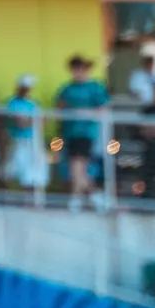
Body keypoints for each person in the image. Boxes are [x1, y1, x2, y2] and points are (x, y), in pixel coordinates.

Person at [55, 55, 109, 210]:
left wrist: (84, 113)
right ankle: (95, 195)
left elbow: (102, 108)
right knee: (77, 168)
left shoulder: (95, 88)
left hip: (86, 132)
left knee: (77, 166)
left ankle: (76, 197)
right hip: (70, 131)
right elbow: (59, 106)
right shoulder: (67, 88)